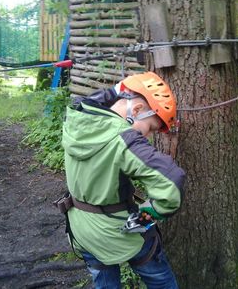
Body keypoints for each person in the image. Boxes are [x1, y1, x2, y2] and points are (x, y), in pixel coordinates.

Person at [60, 71, 185, 288]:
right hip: (118, 233)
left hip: (81, 229)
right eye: (151, 128)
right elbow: (171, 182)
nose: (147, 137)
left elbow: (93, 99)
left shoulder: (77, 116)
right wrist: (148, 215)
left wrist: (119, 89)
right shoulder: (125, 141)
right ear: (137, 110)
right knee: (160, 280)